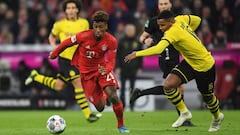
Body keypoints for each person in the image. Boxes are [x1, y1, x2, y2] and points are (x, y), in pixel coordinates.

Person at [124, 10, 224, 132]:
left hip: (205, 65)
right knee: (168, 85)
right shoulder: (181, 19)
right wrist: (189, 32)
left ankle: (217, 117)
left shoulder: (172, 33)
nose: (160, 28)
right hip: (189, 62)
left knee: (207, 97)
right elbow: (197, 20)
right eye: (159, 25)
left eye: (163, 25)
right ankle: (184, 112)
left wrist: (137, 54)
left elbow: (158, 49)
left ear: (171, 22)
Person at [49, 10, 130, 133]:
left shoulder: (111, 41)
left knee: (113, 96)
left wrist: (106, 69)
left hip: (102, 70)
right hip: (87, 75)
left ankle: (121, 125)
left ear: (106, 27)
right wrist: (55, 53)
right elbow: (66, 43)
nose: (98, 30)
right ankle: (104, 95)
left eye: (101, 27)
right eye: (96, 26)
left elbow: (111, 62)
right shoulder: (83, 36)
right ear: (93, 26)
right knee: (100, 107)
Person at [25, 0, 100, 122]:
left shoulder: (84, 23)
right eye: (68, 8)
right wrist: (54, 46)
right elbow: (51, 36)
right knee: (78, 82)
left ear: (77, 10)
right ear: (65, 11)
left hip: (79, 59)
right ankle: (88, 115)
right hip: (65, 59)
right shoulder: (59, 24)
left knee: (58, 86)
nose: (70, 10)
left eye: (73, 8)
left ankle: (36, 76)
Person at [130, 0, 194, 126]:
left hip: (176, 55)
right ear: (158, 6)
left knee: (175, 87)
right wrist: (145, 41)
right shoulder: (154, 21)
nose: (164, 6)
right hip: (166, 56)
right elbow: (142, 37)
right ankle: (184, 118)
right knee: (175, 86)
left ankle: (140, 93)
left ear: (170, 5)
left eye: (166, 3)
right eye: (161, 4)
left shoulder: (177, 19)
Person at [116, 24, 142, 111]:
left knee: (132, 89)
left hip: (133, 69)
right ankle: (122, 106)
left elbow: (141, 55)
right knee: (122, 89)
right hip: (123, 68)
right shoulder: (121, 41)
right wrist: (118, 66)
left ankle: (132, 106)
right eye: (129, 31)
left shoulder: (137, 42)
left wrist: (139, 67)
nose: (131, 32)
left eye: (132, 31)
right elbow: (118, 55)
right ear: (126, 31)